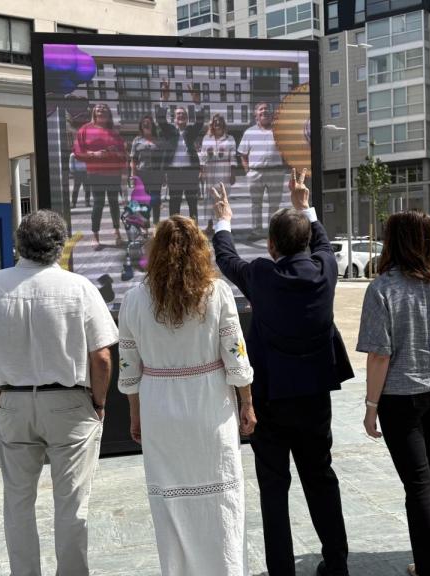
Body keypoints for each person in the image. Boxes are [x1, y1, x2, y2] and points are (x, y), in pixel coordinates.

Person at [0, 210, 118, 576]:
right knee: (72, 503)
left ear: (19, 244)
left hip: (13, 402)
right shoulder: (78, 288)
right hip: (69, 403)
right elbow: (102, 357)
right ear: (59, 246)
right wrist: (99, 402)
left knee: (17, 502)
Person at [211, 170, 354, 576]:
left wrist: (224, 219)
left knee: (274, 489)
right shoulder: (326, 269)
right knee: (321, 479)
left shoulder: (262, 275)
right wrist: (303, 205)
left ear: (272, 246)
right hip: (313, 400)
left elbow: (225, 258)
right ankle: (337, 562)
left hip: (270, 402)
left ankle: (281, 570)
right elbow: (323, 242)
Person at [118, 215, 256, 575]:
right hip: (210, 406)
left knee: (171, 506)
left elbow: (129, 369)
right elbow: (236, 357)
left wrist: (135, 414)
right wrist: (247, 403)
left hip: (160, 408)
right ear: (200, 250)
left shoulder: (134, 299)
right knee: (222, 501)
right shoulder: (218, 293)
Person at [357, 211, 430, 576]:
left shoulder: (382, 289)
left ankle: (429, 567)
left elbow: (379, 355)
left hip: (401, 399)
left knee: (418, 484)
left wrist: (371, 407)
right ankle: (428, 562)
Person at [74, 103, 126, 250]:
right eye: (98, 108)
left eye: (104, 108)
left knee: (114, 204)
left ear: (109, 114)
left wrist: (116, 153)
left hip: (113, 174)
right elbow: (78, 152)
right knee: (98, 204)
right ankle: (95, 237)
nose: (101, 110)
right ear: (94, 112)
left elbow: (123, 155)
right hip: (95, 173)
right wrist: (94, 154)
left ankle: (117, 234)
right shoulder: (85, 129)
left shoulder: (114, 133)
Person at [238, 102, 287, 240]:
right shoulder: (249, 132)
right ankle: (257, 232)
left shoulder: (278, 130)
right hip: (255, 173)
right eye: (261, 109)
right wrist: (247, 171)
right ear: (256, 114)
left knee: (274, 205)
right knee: (256, 204)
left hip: (276, 172)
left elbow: (286, 150)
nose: (264, 111)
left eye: (266, 108)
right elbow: (243, 154)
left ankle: (273, 232)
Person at [158, 106, 206, 221]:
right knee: (174, 204)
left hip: (190, 172)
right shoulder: (169, 131)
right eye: (178, 114)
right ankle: (175, 231)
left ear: (187, 118)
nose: (181, 115)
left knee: (192, 204)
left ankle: (193, 231)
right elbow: (161, 121)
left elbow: (199, 123)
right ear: (174, 118)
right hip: (173, 173)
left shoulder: (190, 131)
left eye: (183, 114)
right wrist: (163, 101)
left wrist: (197, 104)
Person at [199, 113, 237, 224]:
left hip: (224, 170)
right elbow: (203, 156)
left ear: (223, 123)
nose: (217, 123)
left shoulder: (230, 139)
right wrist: (202, 171)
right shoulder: (207, 138)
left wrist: (233, 173)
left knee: (224, 197)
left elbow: (233, 157)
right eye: (215, 121)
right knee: (210, 197)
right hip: (210, 169)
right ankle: (210, 224)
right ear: (212, 124)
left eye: (220, 121)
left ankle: (224, 222)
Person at [130, 115, 164, 225]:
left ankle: (156, 225)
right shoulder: (137, 140)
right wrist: (133, 176)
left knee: (156, 200)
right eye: (144, 122)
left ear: (152, 125)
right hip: (142, 174)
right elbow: (133, 160)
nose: (146, 124)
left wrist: (164, 176)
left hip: (156, 175)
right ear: (141, 126)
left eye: (149, 122)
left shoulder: (159, 140)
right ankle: (144, 224)